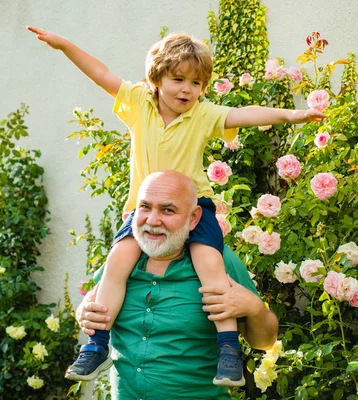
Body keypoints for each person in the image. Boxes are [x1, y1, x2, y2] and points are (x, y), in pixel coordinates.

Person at [26, 26, 321, 385]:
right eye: (178, 79)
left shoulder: (203, 115)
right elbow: (100, 73)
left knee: (211, 265)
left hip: (193, 209)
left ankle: (228, 350)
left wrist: (292, 115)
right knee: (116, 263)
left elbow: (244, 113)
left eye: (196, 83)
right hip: (141, 209)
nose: (187, 89)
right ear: (156, 77)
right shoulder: (137, 102)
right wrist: (64, 45)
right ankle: (96, 345)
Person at [77, 170, 279, 399]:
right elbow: (92, 304)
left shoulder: (219, 261)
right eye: (145, 207)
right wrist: (83, 313)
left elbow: (264, 342)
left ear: (193, 218)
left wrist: (254, 308)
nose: (152, 220)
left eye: (168, 210)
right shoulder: (121, 260)